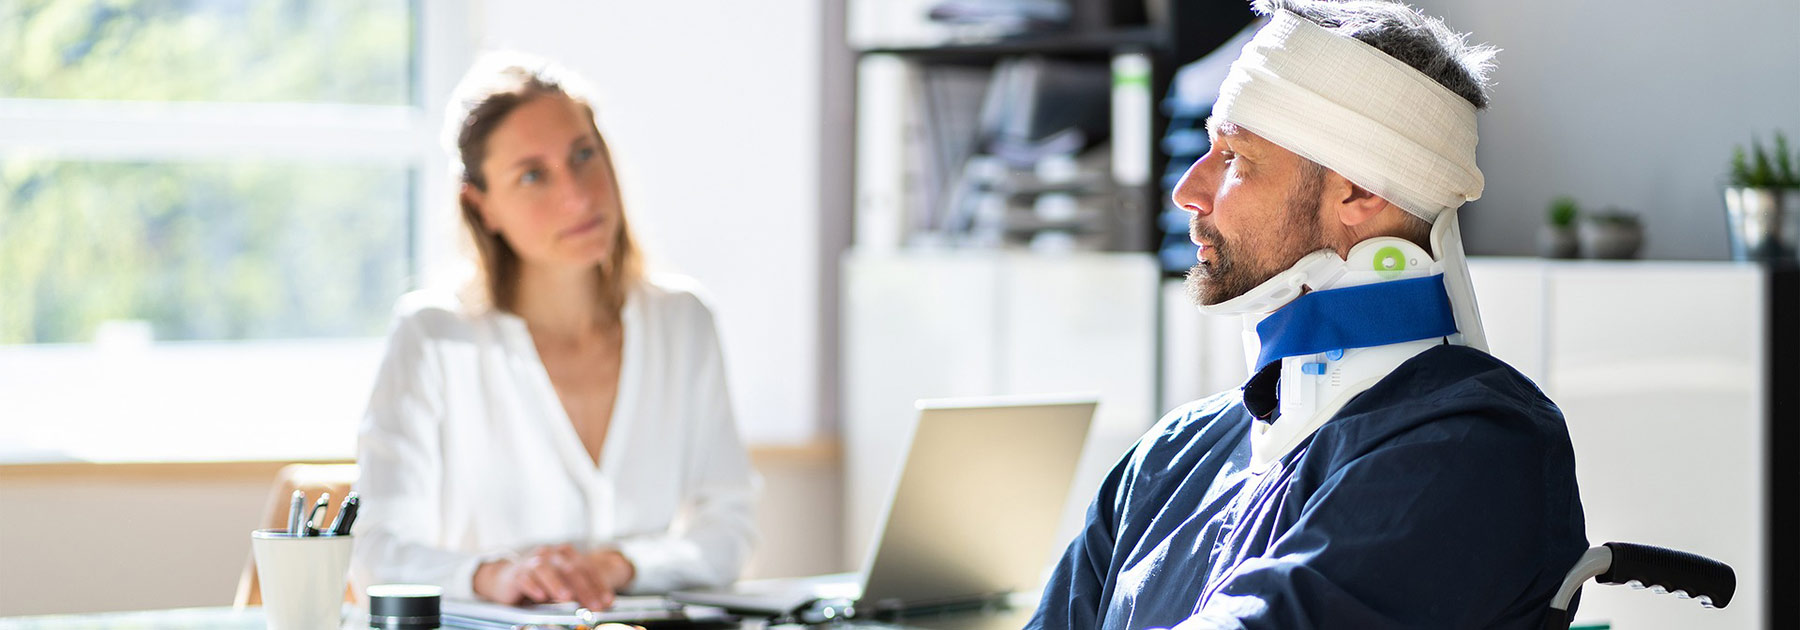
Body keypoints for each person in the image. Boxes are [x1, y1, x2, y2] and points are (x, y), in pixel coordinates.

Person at [1028, 1, 1587, 628]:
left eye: (1235, 157)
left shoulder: (1474, 446)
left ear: (1360, 189)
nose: (1187, 189)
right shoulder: (1168, 457)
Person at [349, 52, 757, 612]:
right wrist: (495, 575)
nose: (578, 195)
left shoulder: (683, 321)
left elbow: (729, 531)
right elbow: (375, 550)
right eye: (533, 175)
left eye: (584, 154)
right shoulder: (433, 337)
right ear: (482, 206)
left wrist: (619, 565)